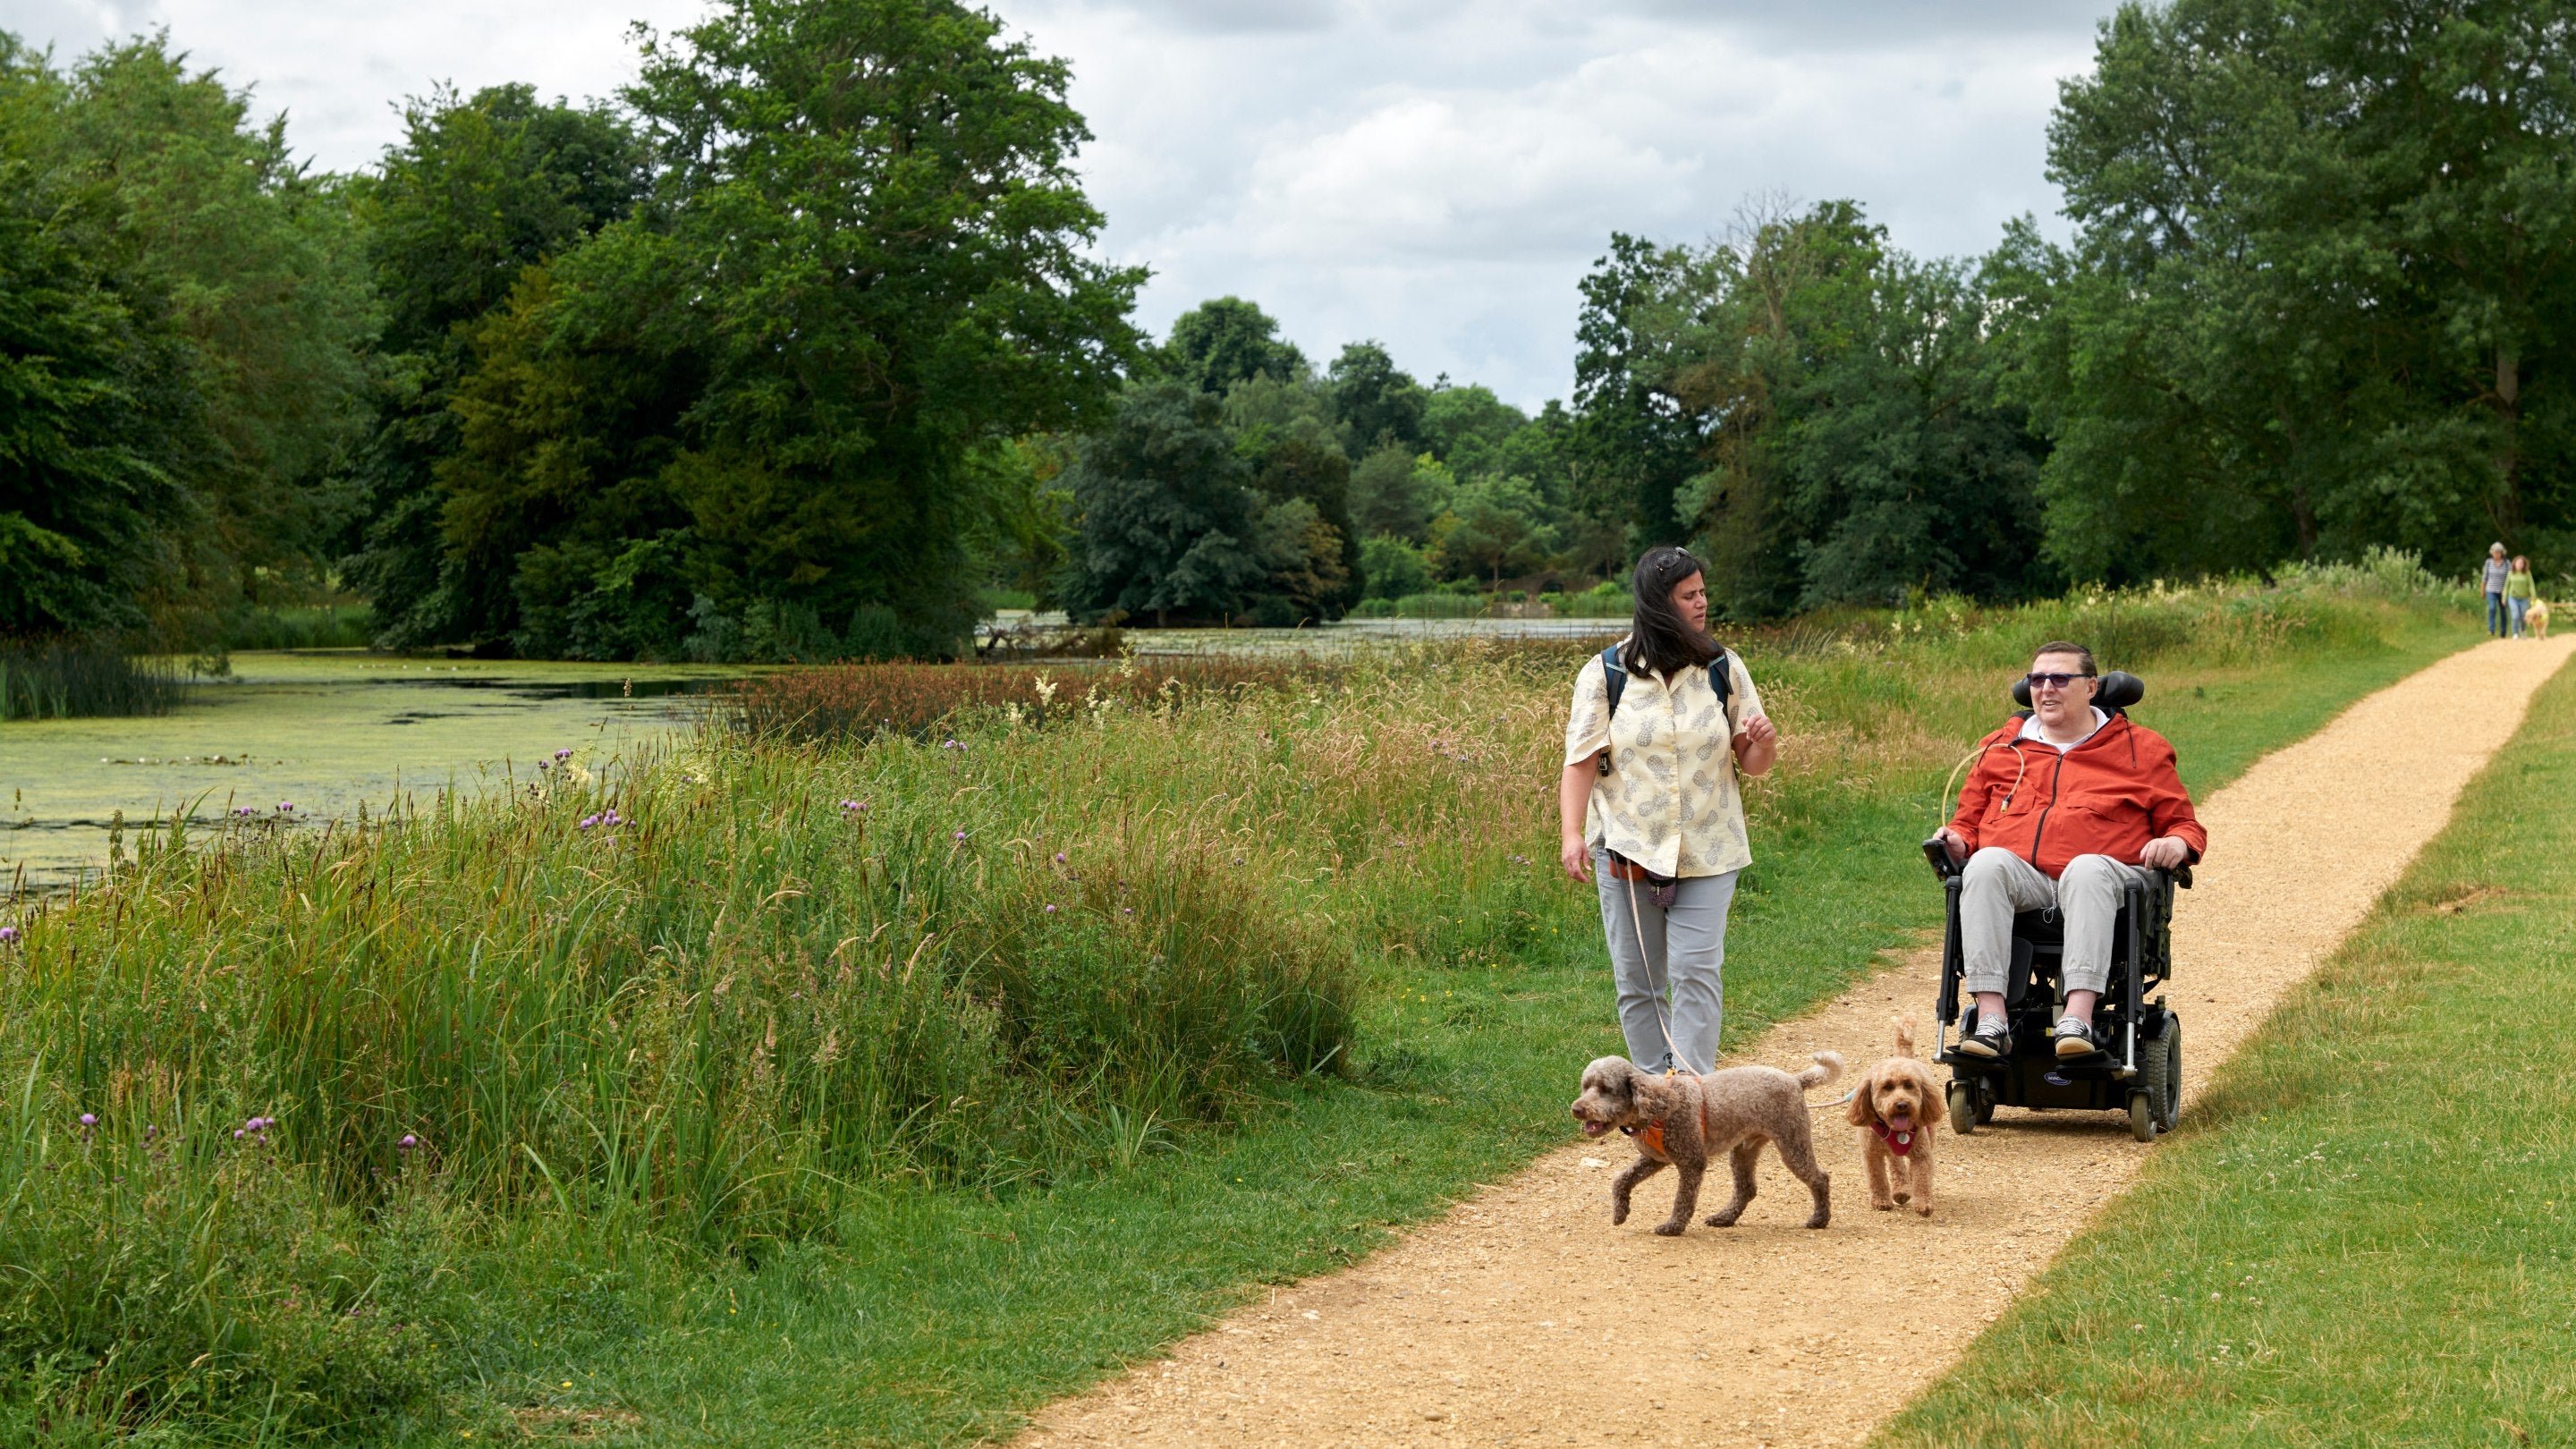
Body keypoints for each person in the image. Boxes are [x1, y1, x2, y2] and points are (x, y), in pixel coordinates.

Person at [1557, 547, 1777, 1077]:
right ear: (1659, 603)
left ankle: (1692, 1096)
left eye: (1703, 591)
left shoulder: (1722, 666)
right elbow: (1581, 761)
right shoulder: (1606, 672)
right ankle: (1656, 1091)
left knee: (1696, 972)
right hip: (1626, 848)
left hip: (1710, 845)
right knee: (1638, 982)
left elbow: (1753, 763)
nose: (1703, 602)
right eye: (1689, 595)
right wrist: (1571, 834)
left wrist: (1764, 743)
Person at [1933, 641, 2207, 1061]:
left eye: (2061, 678)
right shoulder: (2002, 747)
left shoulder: (2141, 749)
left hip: (2107, 878)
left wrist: (2176, 842)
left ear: (2092, 686)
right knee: (1985, 864)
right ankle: (1991, 1020)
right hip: (2029, 881)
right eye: (2037, 680)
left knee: (2085, 869)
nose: (2046, 689)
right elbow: (1967, 823)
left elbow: (2184, 824)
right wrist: (1957, 839)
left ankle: (2077, 1020)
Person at [2483, 543, 2512, 637]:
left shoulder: (2507, 563)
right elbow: (2485, 577)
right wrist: (2482, 590)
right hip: (2491, 589)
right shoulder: (2488, 562)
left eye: (2498, 553)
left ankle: (2503, 632)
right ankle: (2491, 629)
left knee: (2503, 611)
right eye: (2495, 552)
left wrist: (2506, 589)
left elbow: (2510, 577)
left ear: (2502, 553)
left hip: (2503, 590)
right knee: (2492, 608)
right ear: (2491, 553)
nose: (2496, 554)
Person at [2505, 555, 2537, 638]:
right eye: (2518, 563)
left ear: (2524, 565)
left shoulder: (2527, 573)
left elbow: (2531, 585)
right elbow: (2506, 586)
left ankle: (2522, 630)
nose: (2520, 564)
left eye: (2522, 563)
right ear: (2514, 564)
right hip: (2513, 597)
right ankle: (2515, 633)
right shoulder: (2510, 573)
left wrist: (2533, 595)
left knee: (2523, 616)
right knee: (2515, 615)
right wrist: (2504, 597)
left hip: (2524, 598)